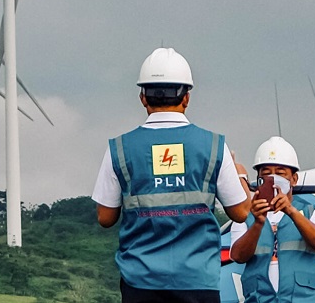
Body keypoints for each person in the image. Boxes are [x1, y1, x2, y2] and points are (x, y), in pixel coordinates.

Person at [92, 47, 250, 303]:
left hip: (140, 283)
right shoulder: (213, 146)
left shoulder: (119, 148)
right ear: (186, 96)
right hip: (198, 281)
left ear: (143, 97)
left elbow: (105, 217)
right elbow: (241, 212)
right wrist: (240, 176)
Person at [229, 136, 315, 302]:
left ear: (294, 179)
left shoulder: (313, 211)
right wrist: (257, 224)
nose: (273, 177)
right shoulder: (246, 216)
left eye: (280, 173)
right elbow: (238, 256)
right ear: (259, 179)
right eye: (266, 173)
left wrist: (291, 211)